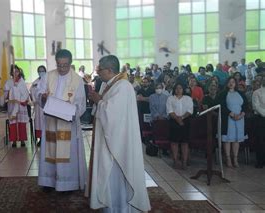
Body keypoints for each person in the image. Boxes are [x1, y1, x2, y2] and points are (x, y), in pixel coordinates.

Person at [88, 55, 151, 212]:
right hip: (107, 139)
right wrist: (99, 102)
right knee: (107, 178)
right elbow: (103, 110)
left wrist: (98, 101)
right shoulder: (107, 85)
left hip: (119, 143)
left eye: (99, 70)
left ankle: (121, 209)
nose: (98, 73)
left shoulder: (123, 86)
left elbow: (113, 115)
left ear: (109, 70)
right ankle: (109, 208)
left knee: (116, 178)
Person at [37, 49, 87, 192]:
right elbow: (38, 92)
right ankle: (49, 181)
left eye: (65, 65)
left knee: (67, 154)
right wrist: (43, 97)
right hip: (51, 124)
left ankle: (67, 184)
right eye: (59, 65)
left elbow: (81, 103)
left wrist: (70, 111)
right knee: (50, 151)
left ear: (70, 63)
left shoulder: (77, 80)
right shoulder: (48, 76)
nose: (62, 68)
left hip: (67, 125)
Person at [218, 77, 248, 168]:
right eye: (229, 82)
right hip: (228, 119)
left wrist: (242, 114)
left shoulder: (241, 93)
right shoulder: (223, 94)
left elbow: (245, 105)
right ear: (227, 83)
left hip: (240, 118)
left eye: (233, 82)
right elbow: (222, 106)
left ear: (236, 83)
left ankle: (235, 158)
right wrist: (231, 114)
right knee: (228, 139)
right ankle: (228, 158)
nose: (231, 84)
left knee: (236, 139)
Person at [166, 83, 193, 169]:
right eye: (177, 88)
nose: (178, 90)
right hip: (174, 121)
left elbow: (190, 110)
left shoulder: (188, 98)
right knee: (174, 142)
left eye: (180, 88)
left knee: (184, 142)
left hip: (185, 121)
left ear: (183, 89)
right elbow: (170, 111)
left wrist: (182, 118)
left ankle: (184, 161)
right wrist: (178, 119)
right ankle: (175, 160)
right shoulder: (170, 98)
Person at [6, 65, 29, 147]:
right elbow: (6, 94)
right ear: (11, 73)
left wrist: (21, 99)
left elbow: (26, 93)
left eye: (17, 71)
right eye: (13, 71)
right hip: (12, 105)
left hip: (21, 105)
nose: (15, 73)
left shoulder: (22, 82)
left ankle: (22, 140)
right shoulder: (9, 82)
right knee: (13, 123)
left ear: (19, 72)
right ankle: (14, 141)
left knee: (21, 123)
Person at [30, 65, 47, 146]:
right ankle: (40, 139)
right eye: (39, 71)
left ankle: (47, 139)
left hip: (47, 106)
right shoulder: (35, 82)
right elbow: (32, 92)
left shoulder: (49, 80)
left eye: (42, 71)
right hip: (38, 106)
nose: (41, 72)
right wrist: (35, 99)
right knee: (39, 123)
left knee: (46, 122)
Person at [252, 79, 265, 168]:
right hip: (261, 118)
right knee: (260, 141)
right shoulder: (257, 92)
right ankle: (260, 161)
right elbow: (256, 106)